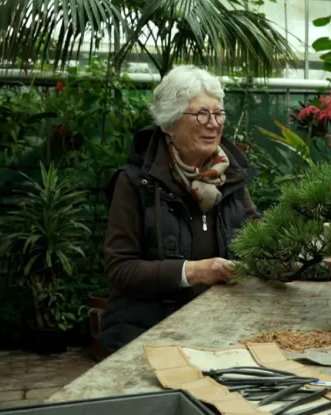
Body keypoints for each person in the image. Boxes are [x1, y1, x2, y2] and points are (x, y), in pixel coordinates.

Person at [99, 65, 261, 354]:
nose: (214, 124)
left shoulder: (230, 177)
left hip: (218, 334)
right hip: (147, 338)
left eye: (218, 113)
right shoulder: (137, 181)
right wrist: (194, 272)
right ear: (170, 123)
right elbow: (120, 269)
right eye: (201, 114)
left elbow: (260, 236)